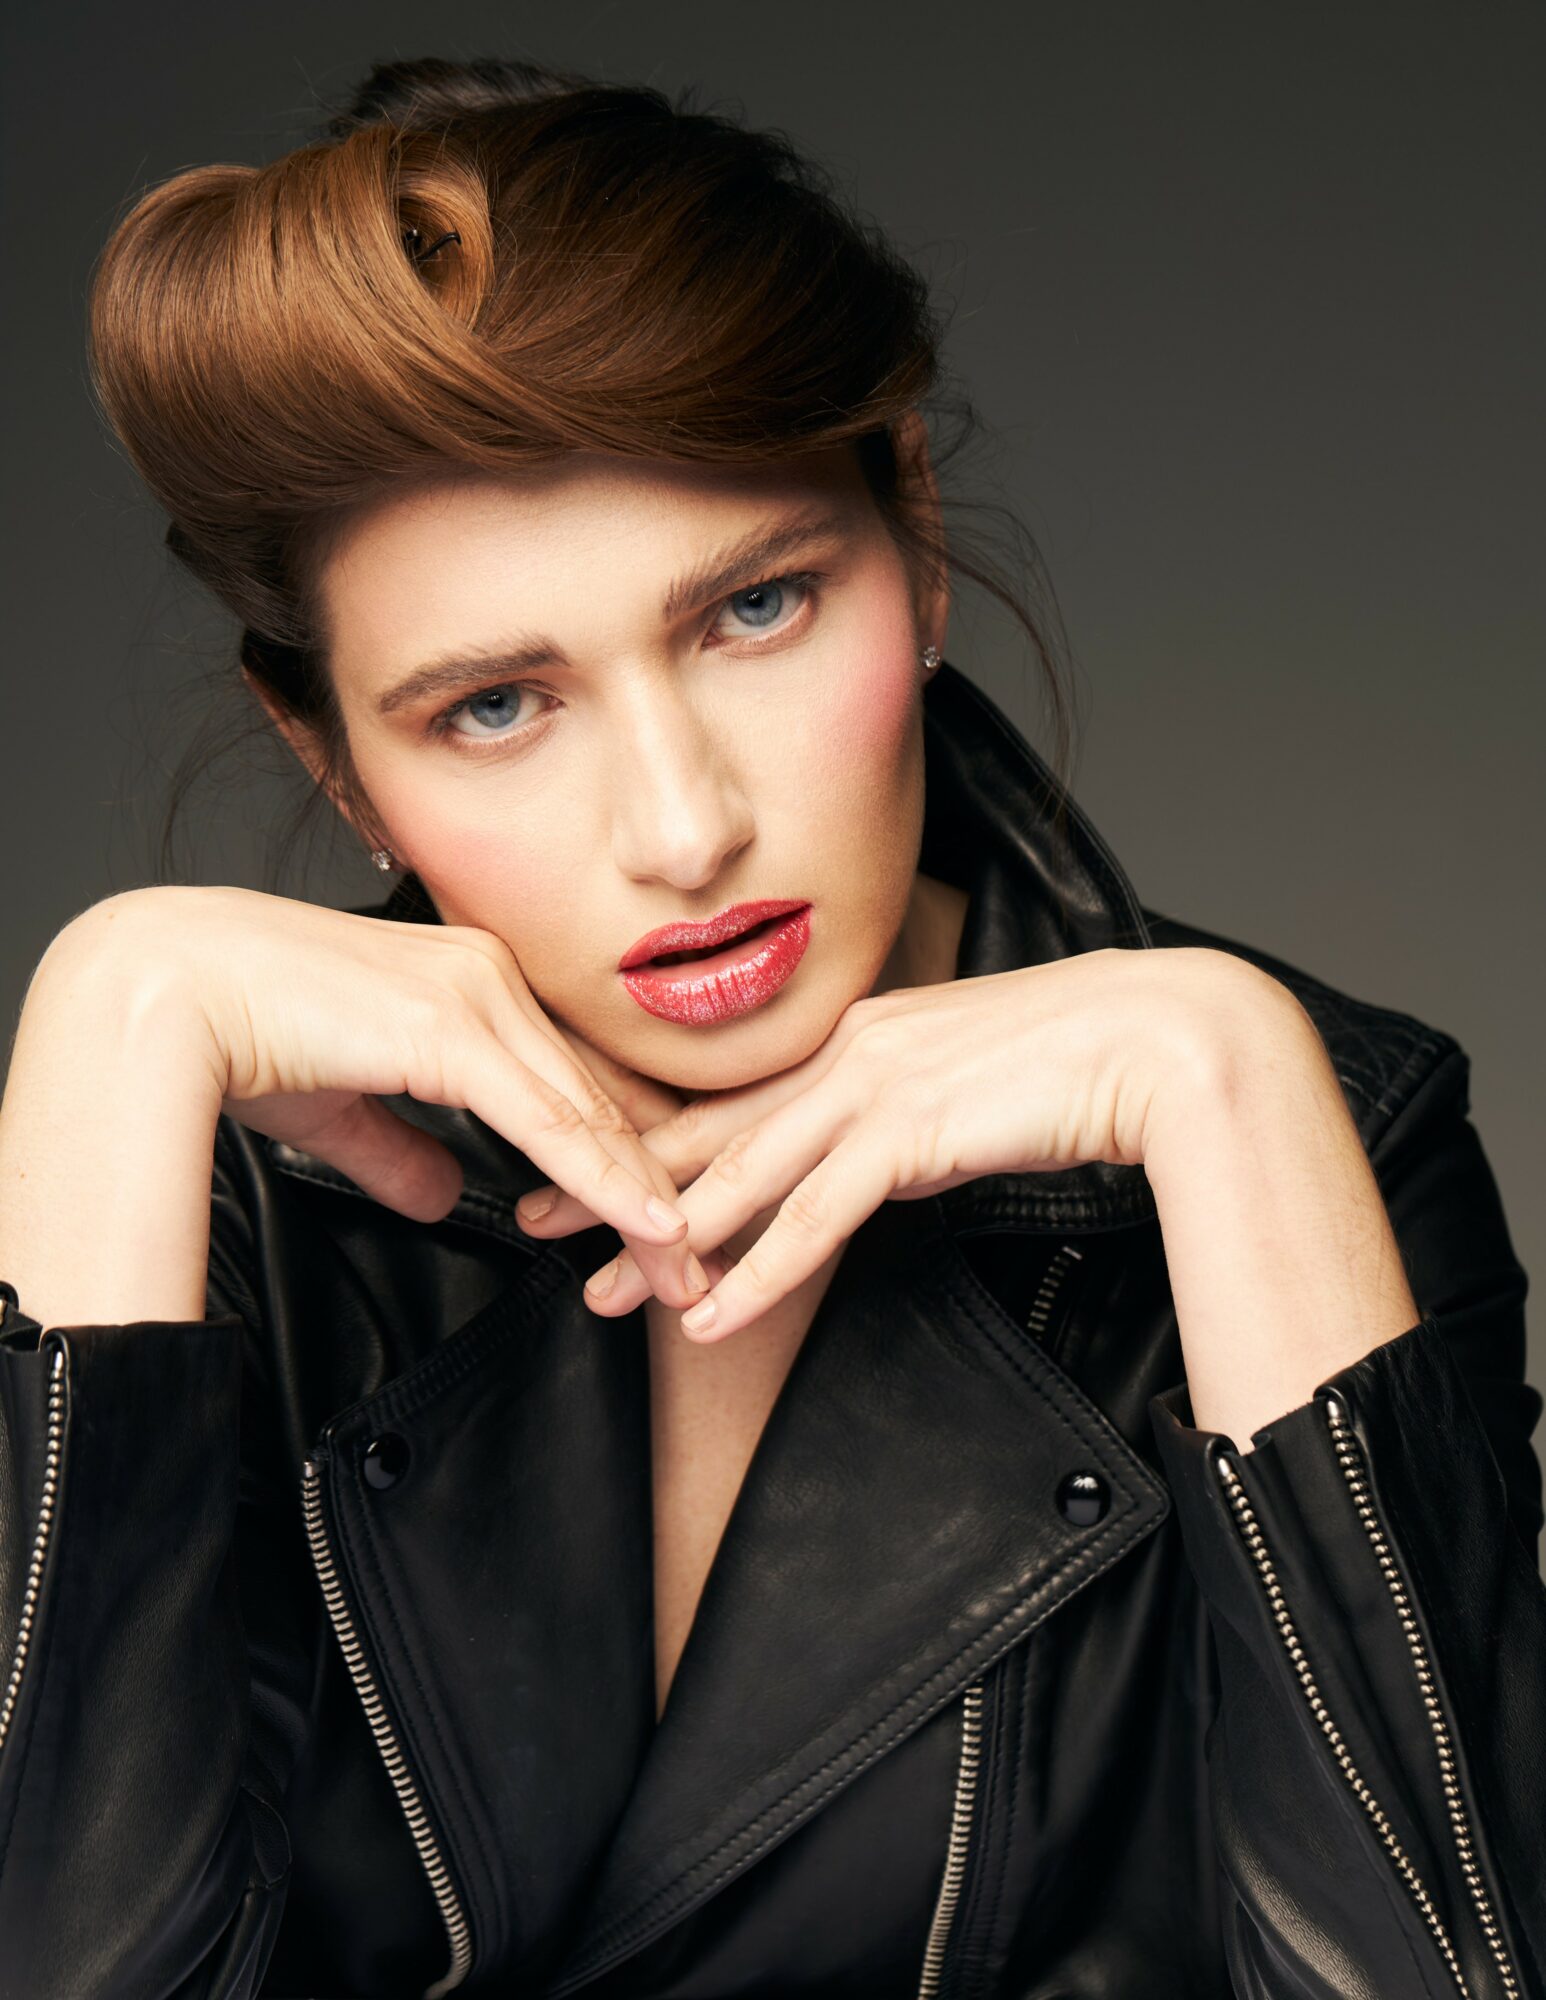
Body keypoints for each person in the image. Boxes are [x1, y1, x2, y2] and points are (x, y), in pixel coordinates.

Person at [0, 51, 1542, 2000]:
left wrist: (1231, 1079)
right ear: (332, 755)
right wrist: (102, 1027)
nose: (682, 825)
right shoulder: (217, 1201)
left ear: (904, 531)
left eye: (749, 610)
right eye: (493, 703)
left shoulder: (1299, 1135)